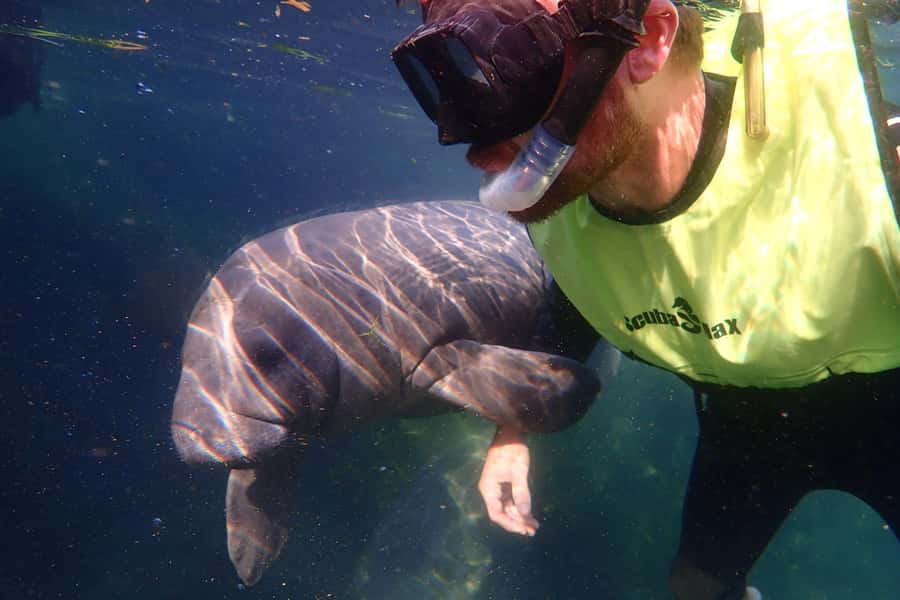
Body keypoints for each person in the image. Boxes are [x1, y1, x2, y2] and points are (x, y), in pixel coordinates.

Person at [392, 0, 900, 598]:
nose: (475, 146)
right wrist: (514, 427)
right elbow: (584, 294)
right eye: (453, 74)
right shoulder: (565, 201)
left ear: (650, 39)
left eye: (512, 59)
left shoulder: (869, 158)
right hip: (748, 424)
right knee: (695, 588)